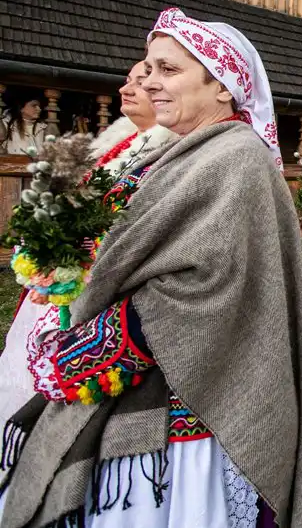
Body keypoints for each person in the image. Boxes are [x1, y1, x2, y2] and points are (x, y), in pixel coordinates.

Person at [0, 8, 302, 526]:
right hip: (141, 381)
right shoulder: (173, 153)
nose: (151, 82)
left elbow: (203, 289)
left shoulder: (236, 159)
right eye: (149, 69)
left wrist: (88, 351)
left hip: (191, 402)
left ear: (223, 87)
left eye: (169, 70)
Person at [0, 62, 176, 459]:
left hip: (101, 287)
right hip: (66, 278)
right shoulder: (115, 142)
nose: (127, 88)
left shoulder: (160, 154)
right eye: (128, 80)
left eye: (141, 82)